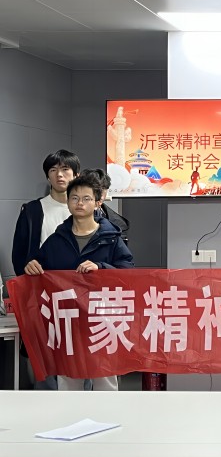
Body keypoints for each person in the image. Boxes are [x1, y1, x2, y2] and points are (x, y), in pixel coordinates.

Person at [24, 169, 134, 391]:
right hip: (68, 319)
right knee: (68, 379)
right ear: (68, 202)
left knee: (105, 379)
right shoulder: (56, 240)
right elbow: (40, 269)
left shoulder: (111, 238)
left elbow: (127, 272)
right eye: (74, 198)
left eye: (86, 198)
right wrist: (31, 266)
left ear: (97, 203)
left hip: (102, 318)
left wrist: (101, 268)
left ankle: (107, 415)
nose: (80, 203)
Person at [11, 149, 81, 390]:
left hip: (80, 295)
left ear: (76, 174)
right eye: (53, 170)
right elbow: (19, 253)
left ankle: (83, 401)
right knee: (45, 350)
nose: (59, 175)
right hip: (43, 295)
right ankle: (47, 401)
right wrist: (27, 266)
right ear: (47, 176)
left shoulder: (87, 208)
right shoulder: (32, 210)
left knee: (80, 353)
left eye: (65, 169)